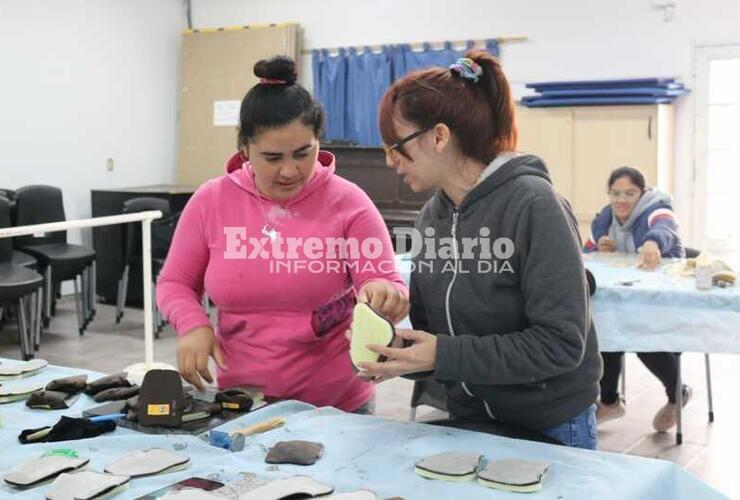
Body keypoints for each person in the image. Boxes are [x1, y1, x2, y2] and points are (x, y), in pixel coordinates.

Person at [356, 50, 602, 450]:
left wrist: (443, 354)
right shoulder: (430, 219)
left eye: (396, 146)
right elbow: (439, 339)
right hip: (470, 421)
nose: (390, 162)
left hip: (549, 426)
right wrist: (397, 348)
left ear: (438, 136)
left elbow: (560, 343)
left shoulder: (534, 205)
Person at [156, 56, 408, 413]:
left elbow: (384, 280)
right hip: (242, 400)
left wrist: (385, 295)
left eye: (303, 153)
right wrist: (193, 324)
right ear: (244, 148)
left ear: (319, 141)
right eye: (272, 158)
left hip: (336, 405)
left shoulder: (349, 203)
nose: (290, 170)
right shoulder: (211, 202)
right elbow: (175, 283)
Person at [586, 166, 691, 432]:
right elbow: (585, 251)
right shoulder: (605, 218)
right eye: (615, 193)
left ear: (642, 193)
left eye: (630, 193)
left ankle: (677, 394)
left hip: (662, 302)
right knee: (605, 332)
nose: (621, 199)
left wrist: (653, 242)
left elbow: (666, 229)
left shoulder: (658, 209)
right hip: (624, 300)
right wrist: (598, 247)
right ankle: (609, 401)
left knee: (644, 339)